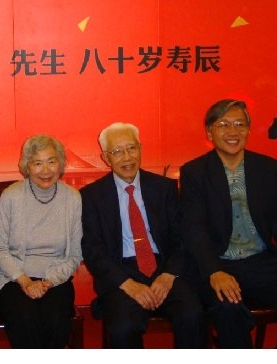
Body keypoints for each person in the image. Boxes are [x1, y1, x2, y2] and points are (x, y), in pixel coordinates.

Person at [179, 99, 277, 348]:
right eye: (223, 125)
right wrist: (214, 271)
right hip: (219, 263)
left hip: (260, 261)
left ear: (248, 130)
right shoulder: (194, 172)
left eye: (240, 124)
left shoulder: (267, 168)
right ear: (209, 132)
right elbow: (194, 229)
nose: (233, 131)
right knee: (228, 309)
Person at [80, 122, 206, 348]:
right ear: (106, 158)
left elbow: (181, 237)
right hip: (121, 271)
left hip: (163, 267)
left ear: (141, 149)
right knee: (123, 328)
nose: (127, 157)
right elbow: (92, 249)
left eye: (132, 148)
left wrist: (168, 274)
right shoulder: (91, 196)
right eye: (117, 151)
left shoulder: (163, 188)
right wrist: (127, 284)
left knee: (193, 314)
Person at [0, 134, 83, 348]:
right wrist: (25, 281)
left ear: (61, 163)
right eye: (37, 163)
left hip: (56, 278)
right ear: (27, 166)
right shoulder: (11, 196)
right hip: (14, 277)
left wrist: (49, 281)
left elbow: (75, 254)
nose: (46, 170)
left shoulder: (72, 198)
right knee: (25, 317)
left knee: (55, 319)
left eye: (51, 161)